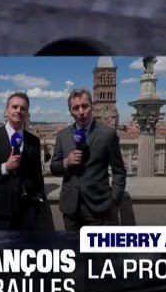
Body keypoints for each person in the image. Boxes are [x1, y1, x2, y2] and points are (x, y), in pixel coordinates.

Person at [50, 88, 127, 231]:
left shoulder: (108, 134)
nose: (81, 111)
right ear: (70, 111)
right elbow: (54, 167)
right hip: (70, 210)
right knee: (73, 252)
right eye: (76, 108)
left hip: (99, 211)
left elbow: (119, 171)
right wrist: (66, 162)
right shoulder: (63, 135)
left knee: (97, 254)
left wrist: (114, 200)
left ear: (91, 107)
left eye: (85, 106)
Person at [0, 92, 45, 230]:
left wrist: (39, 199)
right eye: (15, 107)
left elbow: (37, 173)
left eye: (23, 108)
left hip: (28, 213)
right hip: (0, 213)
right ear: (6, 111)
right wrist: (5, 167)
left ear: (27, 113)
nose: (19, 110)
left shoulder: (33, 140)